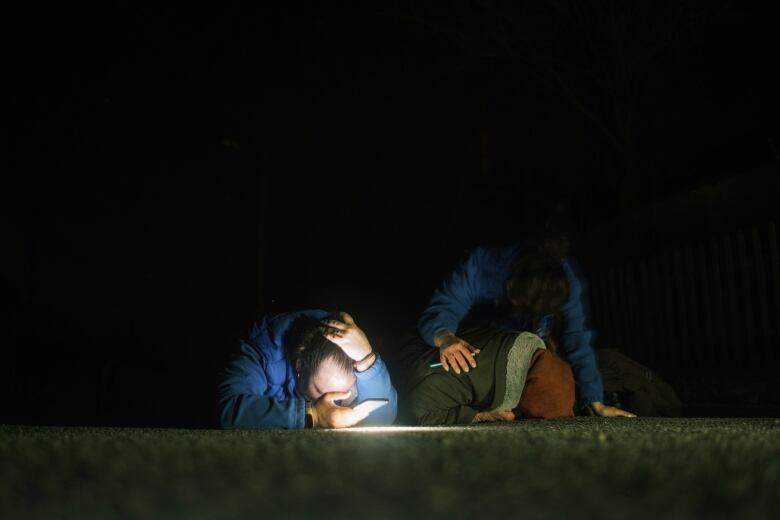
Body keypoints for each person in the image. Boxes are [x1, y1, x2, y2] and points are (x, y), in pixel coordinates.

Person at [418, 240, 635, 417]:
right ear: (511, 286)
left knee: (557, 392)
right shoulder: (481, 266)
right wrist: (444, 337)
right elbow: (445, 305)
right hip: (479, 337)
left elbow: (577, 337)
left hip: (532, 340)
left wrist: (595, 400)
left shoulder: (566, 279)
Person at [220, 310, 398, 429]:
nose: (333, 404)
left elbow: (383, 418)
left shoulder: (357, 364)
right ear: (300, 366)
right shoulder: (261, 350)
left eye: (344, 393)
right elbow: (228, 410)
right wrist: (313, 414)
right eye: (320, 390)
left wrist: (368, 360)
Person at [402, 327, 576, 425]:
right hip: (399, 367)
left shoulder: (512, 337)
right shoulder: (476, 379)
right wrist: (480, 415)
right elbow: (416, 411)